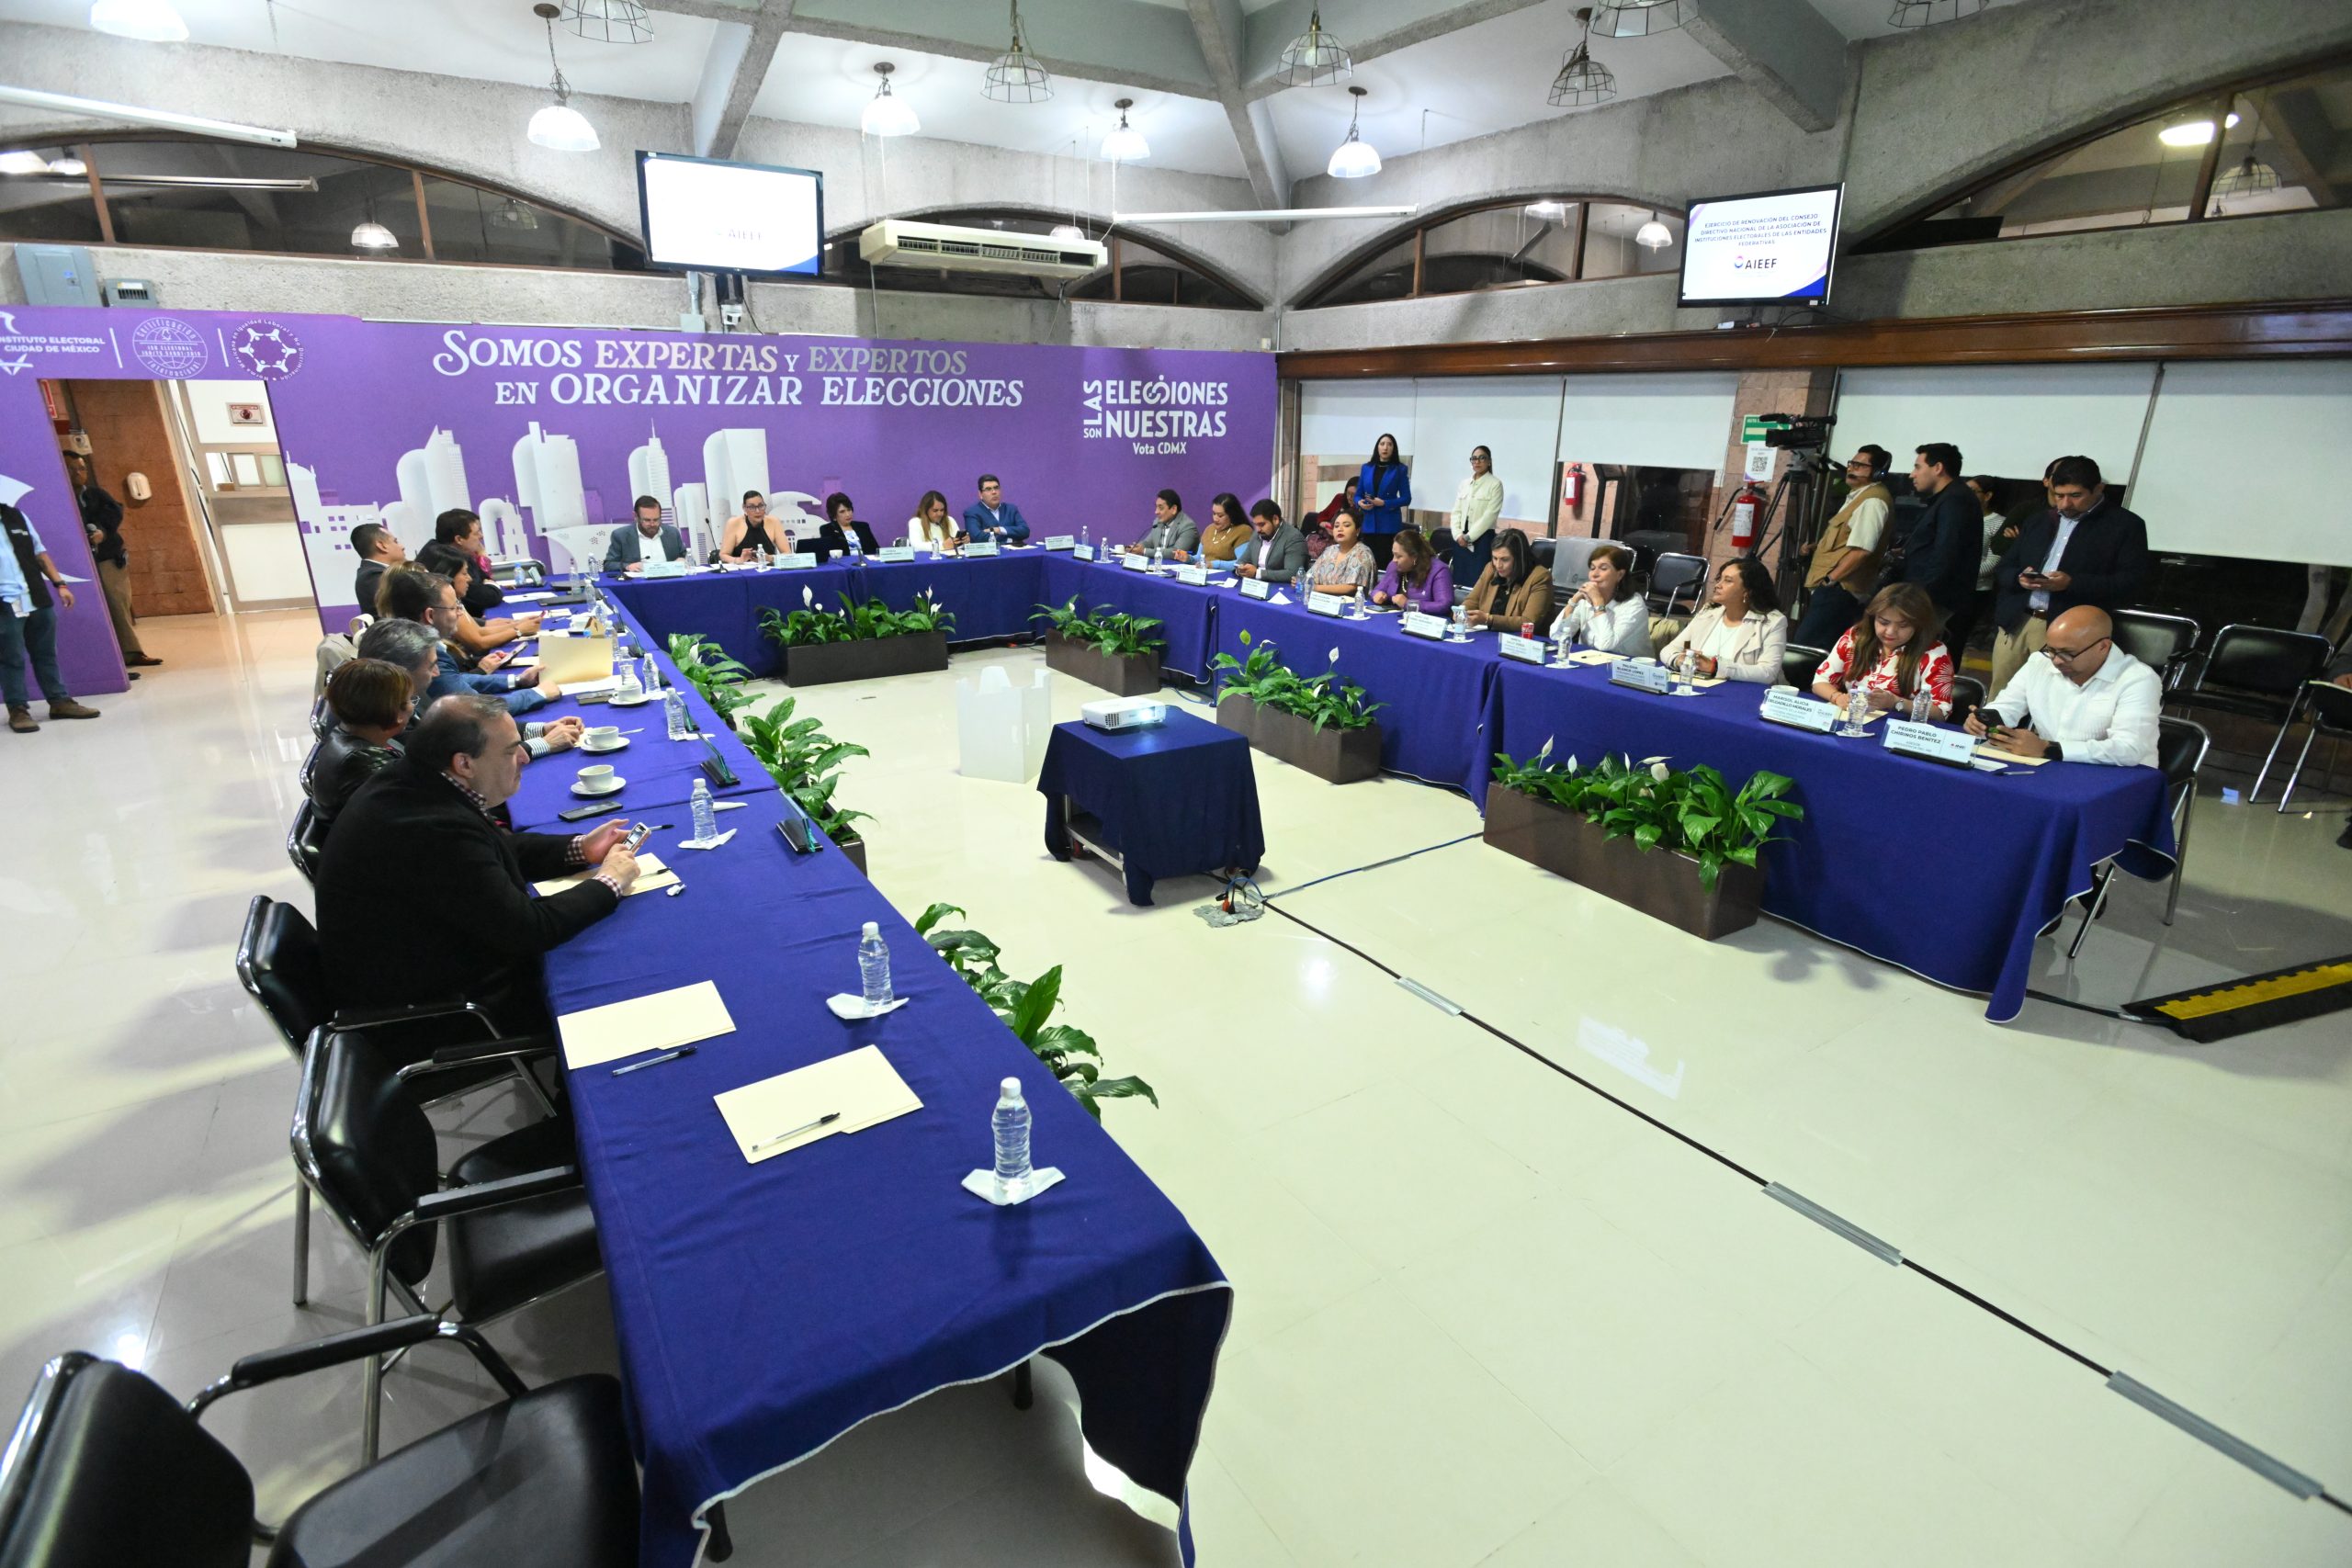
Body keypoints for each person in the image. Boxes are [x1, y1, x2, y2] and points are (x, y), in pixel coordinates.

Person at [314, 694, 640, 1027]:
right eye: (511, 751)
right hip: (440, 1012)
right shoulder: (428, 827)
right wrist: (609, 882)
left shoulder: (418, 783)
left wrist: (581, 848)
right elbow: (529, 930)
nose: (523, 758)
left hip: (428, 968)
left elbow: (495, 849)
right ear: (465, 764)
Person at [1987, 456, 2151, 696]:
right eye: (2058, 495)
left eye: (2075, 495)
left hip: (2071, 629)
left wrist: (2072, 583)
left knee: (2054, 697)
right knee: (2002, 693)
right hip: (2017, 621)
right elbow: (2004, 567)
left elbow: (2131, 582)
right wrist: (2018, 578)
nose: (2065, 504)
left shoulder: (2125, 525)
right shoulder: (2039, 520)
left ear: (2098, 489)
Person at [355, 616, 578, 761]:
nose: (437, 674)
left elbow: (461, 728)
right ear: (402, 672)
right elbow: (454, 768)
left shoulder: (401, 697)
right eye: (431, 667)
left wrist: (540, 729)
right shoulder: (390, 721)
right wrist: (543, 744)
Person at [1967, 606, 2161, 768]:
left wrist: (2048, 749)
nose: (2056, 661)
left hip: (2119, 775)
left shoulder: (2138, 679)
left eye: (2067, 653)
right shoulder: (2039, 663)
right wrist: (1985, 721)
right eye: (2051, 650)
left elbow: (2129, 749)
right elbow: (2008, 706)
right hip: (2053, 765)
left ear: (2103, 646)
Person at [379, 565, 555, 715]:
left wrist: (517, 680)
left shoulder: (410, 639)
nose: (459, 613)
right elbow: (476, 710)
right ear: (430, 615)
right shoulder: (421, 653)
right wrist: (538, 694)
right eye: (454, 607)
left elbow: (457, 680)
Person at [1, 496, 100, 732]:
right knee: (10, 657)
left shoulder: (16, 516)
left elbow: (40, 553)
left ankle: (59, 701)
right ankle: (18, 710)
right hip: (4, 603)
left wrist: (60, 584)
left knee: (45, 653)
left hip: (35, 596)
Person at [1792, 446, 1894, 647]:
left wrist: (1830, 580)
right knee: (1812, 647)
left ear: (1877, 472)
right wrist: (1819, 549)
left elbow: (1862, 551)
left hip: (1840, 590)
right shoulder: (1859, 496)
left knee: (1808, 649)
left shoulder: (1873, 501)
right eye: (1851, 463)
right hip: (1835, 589)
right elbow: (1848, 541)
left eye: (1860, 465)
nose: (1851, 468)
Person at [1812, 581, 1953, 719]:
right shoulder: (1856, 636)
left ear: (1919, 625)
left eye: (1903, 625)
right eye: (1883, 622)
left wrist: (1895, 702)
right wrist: (1838, 697)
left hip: (1900, 728)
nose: (1890, 632)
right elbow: (1820, 681)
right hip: (1854, 720)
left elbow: (1941, 712)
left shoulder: (1935, 653)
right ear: (1872, 617)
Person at [68, 454, 156, 671]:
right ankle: (104, 657)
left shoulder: (95, 495)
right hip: (76, 564)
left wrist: (101, 532)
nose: (79, 474)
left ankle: (131, 652)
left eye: (81, 468)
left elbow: (113, 515)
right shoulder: (59, 499)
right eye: (72, 469)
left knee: (118, 604)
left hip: (107, 558)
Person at [304, 657, 414, 822]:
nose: (412, 707)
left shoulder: (346, 732)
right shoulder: (363, 763)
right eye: (409, 700)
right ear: (396, 713)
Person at [1890, 442, 1982, 630]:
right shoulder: (1947, 498)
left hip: (1932, 600)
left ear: (1938, 468)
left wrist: (1920, 598)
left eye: (1918, 467)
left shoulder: (1955, 500)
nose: (1912, 474)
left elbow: (1946, 553)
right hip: (1925, 596)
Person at [1658, 557, 1788, 682]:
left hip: (1747, 693)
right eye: (1719, 579)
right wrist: (1679, 660)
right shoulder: (1707, 612)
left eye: (1728, 581)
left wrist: (1715, 667)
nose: (1718, 585)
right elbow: (1669, 650)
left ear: (1748, 591)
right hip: (1701, 686)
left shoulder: (1772, 622)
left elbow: (1767, 673)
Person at [414, 544, 537, 657]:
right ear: (448, 575)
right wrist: (518, 631)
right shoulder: (445, 608)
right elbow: (479, 643)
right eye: (464, 573)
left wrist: (518, 624)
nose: (469, 579)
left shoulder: (454, 600)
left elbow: (479, 631)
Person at [1947, 474, 2016, 664]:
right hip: (1949, 586)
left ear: (1988, 496)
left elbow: (1993, 562)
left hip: (1975, 590)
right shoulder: (1959, 516)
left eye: (1973, 491)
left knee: (1957, 638)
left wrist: (1957, 574)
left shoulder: (1998, 522)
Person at [1544, 541, 1645, 651]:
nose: (1594, 574)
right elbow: (1556, 635)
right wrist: (1574, 600)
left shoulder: (1634, 604)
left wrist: (1598, 602)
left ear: (1620, 575)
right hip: (1588, 659)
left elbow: (1605, 645)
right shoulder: (1585, 599)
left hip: (1625, 661)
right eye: (1592, 568)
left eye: (1603, 568)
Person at [1463, 528, 1556, 633]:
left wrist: (1489, 619)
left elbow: (1529, 622)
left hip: (1522, 639)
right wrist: (1461, 613)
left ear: (1520, 559)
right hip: (1489, 636)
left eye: (1505, 559)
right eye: (1495, 558)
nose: (1498, 565)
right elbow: (1472, 601)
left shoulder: (1540, 577)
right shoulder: (1490, 568)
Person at [1355, 433, 1411, 569]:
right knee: (1368, 565)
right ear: (1377, 447)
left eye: (1389, 444)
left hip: (1389, 525)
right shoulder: (1366, 468)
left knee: (1386, 565)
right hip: (1369, 523)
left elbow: (1406, 498)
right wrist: (1360, 503)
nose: (1385, 447)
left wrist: (1385, 503)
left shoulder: (1400, 469)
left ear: (1393, 449)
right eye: (1382, 444)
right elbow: (1357, 495)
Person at [435, 509, 505, 617]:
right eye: (476, 533)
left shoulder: (463, 554)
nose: (481, 536)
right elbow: (488, 597)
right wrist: (492, 585)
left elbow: (485, 578)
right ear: (459, 539)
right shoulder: (447, 561)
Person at [1371, 525, 1453, 615]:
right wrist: (1377, 595)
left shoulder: (1439, 571)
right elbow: (1377, 590)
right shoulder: (1393, 566)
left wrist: (1409, 604)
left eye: (1399, 556)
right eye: (1393, 555)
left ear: (1414, 557)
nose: (1394, 560)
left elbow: (1444, 605)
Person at [1449, 446, 1503, 579]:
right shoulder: (1464, 484)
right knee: (1458, 578)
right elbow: (1456, 512)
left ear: (1489, 461)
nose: (1477, 462)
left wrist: (1469, 537)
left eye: (1482, 458)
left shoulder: (1495, 484)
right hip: (1460, 539)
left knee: (1478, 579)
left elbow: (1489, 516)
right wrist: (1458, 535)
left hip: (1482, 539)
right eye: (1474, 458)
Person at [1231, 499, 1306, 583]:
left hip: (1280, 587)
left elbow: (1292, 573)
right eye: (1255, 524)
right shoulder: (1257, 534)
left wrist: (1257, 573)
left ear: (1275, 519)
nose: (1258, 529)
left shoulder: (1293, 537)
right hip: (1255, 585)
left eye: (1262, 524)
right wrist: (1240, 569)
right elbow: (1242, 561)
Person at [1305, 512, 1378, 597]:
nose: (1340, 529)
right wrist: (1301, 580)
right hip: (1322, 600)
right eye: (1336, 526)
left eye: (1346, 525)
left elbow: (1351, 588)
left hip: (1352, 604)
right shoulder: (1330, 550)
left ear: (1357, 531)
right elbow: (1311, 576)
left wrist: (1315, 588)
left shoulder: (1362, 553)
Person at [609, 495, 688, 571]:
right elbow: (609, 564)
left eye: (656, 519)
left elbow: (686, 556)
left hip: (671, 579)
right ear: (636, 516)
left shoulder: (672, 533)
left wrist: (683, 559)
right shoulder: (621, 536)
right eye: (647, 520)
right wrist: (628, 566)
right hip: (639, 580)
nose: (652, 524)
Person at [350, 521, 407, 620]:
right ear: (382, 546)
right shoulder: (373, 576)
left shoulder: (376, 573)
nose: (402, 547)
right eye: (395, 541)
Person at [1127, 490, 1198, 560]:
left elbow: (1176, 552)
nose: (1156, 512)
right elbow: (1148, 542)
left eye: (1161, 508)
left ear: (1174, 509)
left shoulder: (1187, 526)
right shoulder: (1157, 522)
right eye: (1156, 507)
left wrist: (1144, 551)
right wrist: (1137, 548)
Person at [808, 492, 880, 561]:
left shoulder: (863, 527)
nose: (848, 514)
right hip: (844, 567)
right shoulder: (827, 529)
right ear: (834, 515)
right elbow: (827, 556)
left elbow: (876, 550)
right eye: (842, 512)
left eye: (849, 510)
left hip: (868, 564)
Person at [962, 474, 1030, 544]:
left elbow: (1025, 531)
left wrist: (999, 530)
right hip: (990, 551)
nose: (994, 492)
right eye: (988, 489)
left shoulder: (1011, 509)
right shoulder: (972, 512)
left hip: (1014, 550)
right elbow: (978, 538)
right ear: (980, 494)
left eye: (996, 488)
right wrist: (1009, 538)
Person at [718, 491, 779, 564]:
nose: (757, 511)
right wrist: (739, 560)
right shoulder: (734, 523)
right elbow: (723, 555)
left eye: (761, 506)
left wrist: (770, 558)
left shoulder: (773, 522)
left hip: (768, 569)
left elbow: (787, 553)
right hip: (742, 569)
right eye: (752, 507)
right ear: (744, 508)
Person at [1197, 493, 1251, 563]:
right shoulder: (1209, 529)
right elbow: (1198, 558)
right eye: (1214, 514)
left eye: (1220, 516)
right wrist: (1188, 558)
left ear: (1232, 515)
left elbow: (1241, 563)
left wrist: (1214, 564)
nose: (1215, 519)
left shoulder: (1243, 530)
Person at [907, 489, 962, 553]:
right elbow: (916, 547)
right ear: (925, 510)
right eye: (935, 510)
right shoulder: (915, 522)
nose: (939, 514)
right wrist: (943, 545)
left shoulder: (950, 520)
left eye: (942, 510)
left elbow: (957, 545)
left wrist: (963, 542)